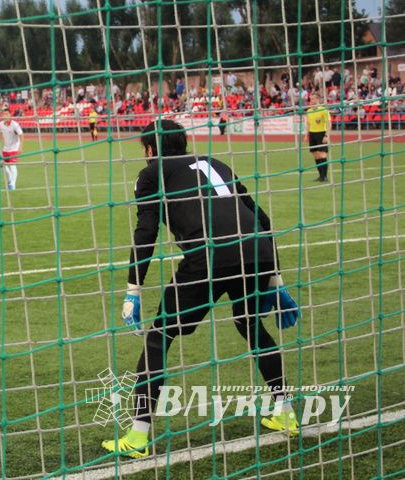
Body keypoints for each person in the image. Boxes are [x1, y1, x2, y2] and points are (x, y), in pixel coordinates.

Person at [104, 119, 301, 459]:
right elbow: (262, 220)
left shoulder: (151, 173)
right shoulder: (215, 163)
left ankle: (138, 436)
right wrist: (276, 281)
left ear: (150, 149)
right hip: (257, 252)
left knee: (158, 336)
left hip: (209, 257)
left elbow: (146, 232)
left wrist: (133, 290)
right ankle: (286, 413)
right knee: (251, 325)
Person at [305, 93, 331, 182]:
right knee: (316, 155)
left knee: (322, 154)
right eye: (310, 99)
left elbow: (328, 123)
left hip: (321, 134)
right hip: (312, 134)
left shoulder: (323, 110)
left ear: (318, 100)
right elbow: (308, 124)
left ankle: (325, 176)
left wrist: (326, 135)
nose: (311, 101)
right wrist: (306, 135)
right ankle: (320, 176)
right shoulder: (309, 111)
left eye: (313, 99)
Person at [0, 109, 23, 190]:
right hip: (6, 147)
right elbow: (1, 133)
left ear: (10, 115)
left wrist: (20, 147)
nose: (5, 115)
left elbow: (21, 135)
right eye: (4, 114)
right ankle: (10, 178)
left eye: (7, 114)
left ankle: (13, 184)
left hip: (14, 147)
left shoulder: (15, 125)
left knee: (12, 165)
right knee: (3, 164)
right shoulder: (1, 124)